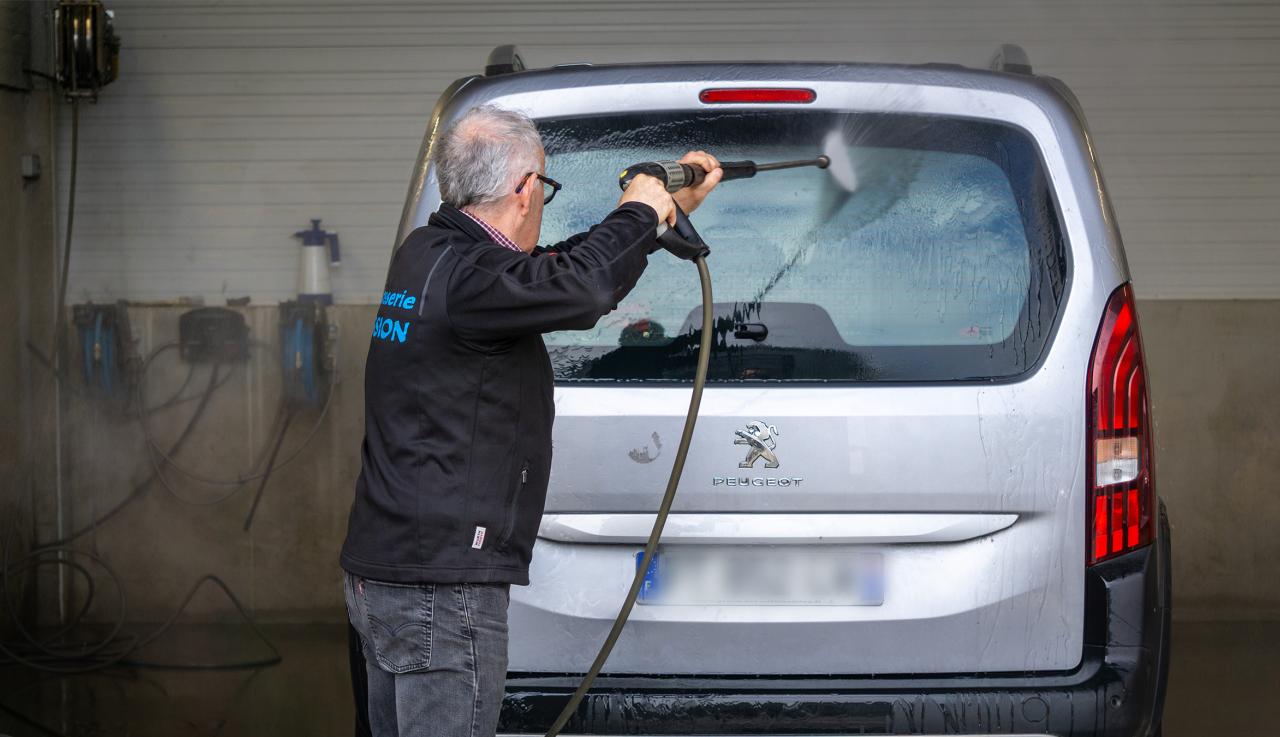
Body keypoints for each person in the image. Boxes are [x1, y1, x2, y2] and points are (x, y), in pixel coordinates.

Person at [339, 103, 722, 737]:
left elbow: (554, 273)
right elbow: (579, 289)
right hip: (440, 587)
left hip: (391, 573)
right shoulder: (469, 277)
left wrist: (655, 219)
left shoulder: (429, 254)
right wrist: (637, 208)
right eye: (542, 186)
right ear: (524, 190)